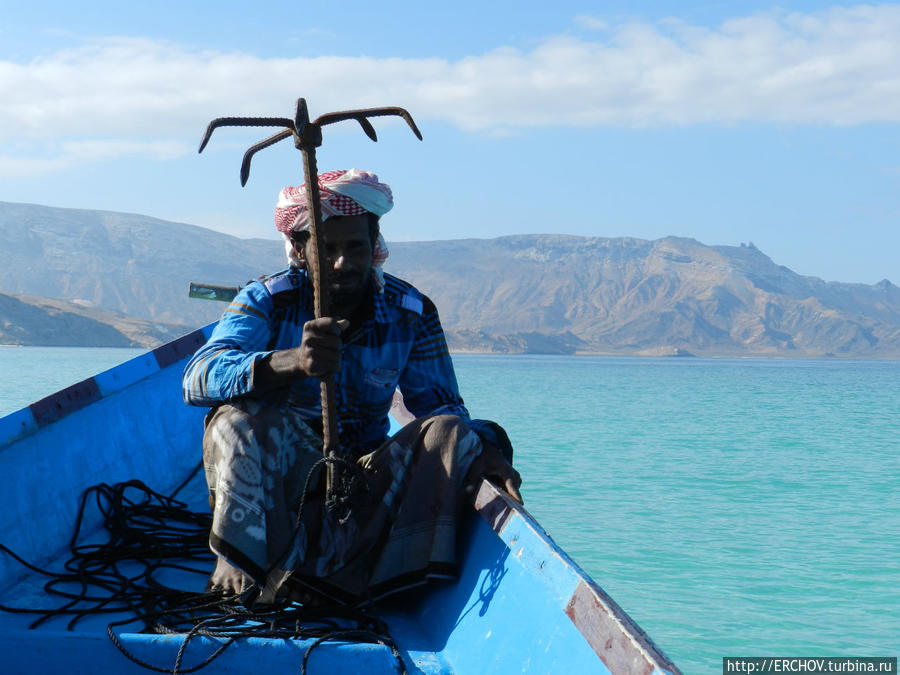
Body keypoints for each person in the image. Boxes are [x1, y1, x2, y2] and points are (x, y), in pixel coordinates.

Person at [182, 169, 521, 605]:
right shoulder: (266, 300)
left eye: (355, 247)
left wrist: (485, 448)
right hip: (280, 479)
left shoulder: (410, 312)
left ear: (374, 245)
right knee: (237, 419)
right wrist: (291, 362)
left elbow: (440, 407)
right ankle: (242, 561)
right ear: (301, 252)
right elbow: (197, 377)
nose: (342, 262)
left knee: (452, 432)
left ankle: (383, 578)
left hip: (361, 478)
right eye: (326, 249)